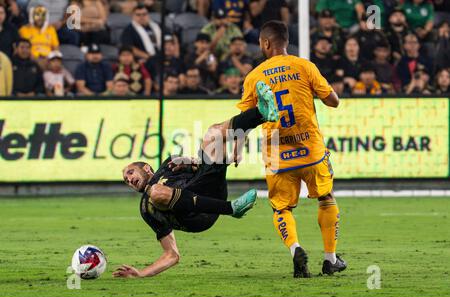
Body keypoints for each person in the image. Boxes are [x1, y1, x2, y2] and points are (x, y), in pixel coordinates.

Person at [112, 94, 279, 278]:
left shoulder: (170, 164)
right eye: (126, 181)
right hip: (197, 216)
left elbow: (201, 164)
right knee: (155, 193)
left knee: (213, 134)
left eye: (130, 173)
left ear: (146, 168)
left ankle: (262, 114)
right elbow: (172, 255)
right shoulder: (146, 208)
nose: (129, 180)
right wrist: (141, 273)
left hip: (210, 190)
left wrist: (190, 161)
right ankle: (231, 208)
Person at [236, 20, 345, 277]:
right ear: (286, 42)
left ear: (265, 43)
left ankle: (295, 248)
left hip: (278, 156)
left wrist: (237, 148)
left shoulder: (254, 76)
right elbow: (333, 102)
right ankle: (330, 259)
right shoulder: (304, 66)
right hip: (311, 150)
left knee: (281, 208)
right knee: (326, 198)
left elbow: (243, 121)